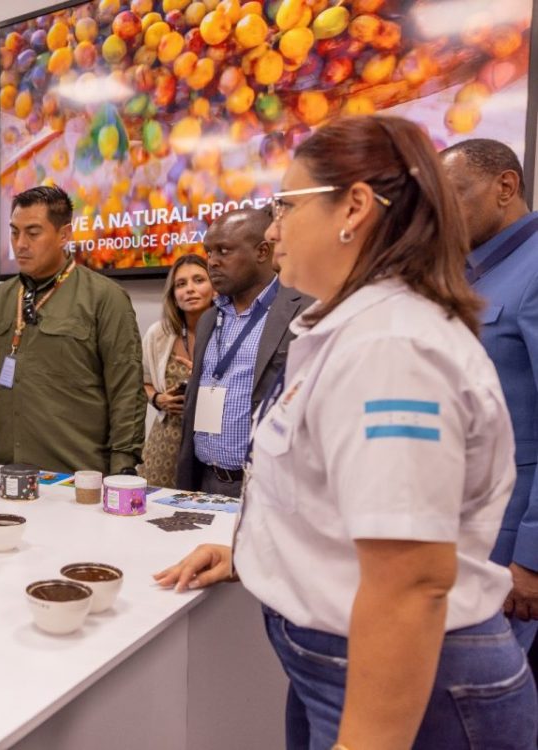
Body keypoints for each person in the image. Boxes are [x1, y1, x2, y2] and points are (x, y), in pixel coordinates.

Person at [158, 116, 538, 749]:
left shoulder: (394, 346)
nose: (273, 229)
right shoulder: (348, 329)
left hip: (411, 684)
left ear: (354, 207)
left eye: (285, 206)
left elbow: (410, 581)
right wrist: (252, 556)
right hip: (340, 663)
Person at [0, 185, 145, 475]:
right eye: (14, 232)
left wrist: (121, 470)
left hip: (75, 477)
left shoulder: (104, 297)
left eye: (33, 233)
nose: (20, 244)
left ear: (64, 235)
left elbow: (127, 390)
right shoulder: (1, 298)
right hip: (5, 472)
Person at [441, 139, 538, 651]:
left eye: (454, 194)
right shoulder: (465, 272)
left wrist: (533, 554)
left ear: (505, 186)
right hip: (464, 532)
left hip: (513, 546)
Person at [175, 208, 309, 497]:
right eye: (209, 252)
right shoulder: (211, 317)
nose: (212, 262)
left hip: (266, 487)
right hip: (205, 483)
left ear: (262, 252)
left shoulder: (305, 311)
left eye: (223, 251)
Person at [140, 254, 213, 488]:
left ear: (215, 286)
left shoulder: (229, 330)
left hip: (210, 443)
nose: (189, 289)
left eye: (199, 280)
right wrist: (158, 399)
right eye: (181, 284)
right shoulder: (158, 334)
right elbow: (141, 382)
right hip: (166, 440)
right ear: (173, 294)